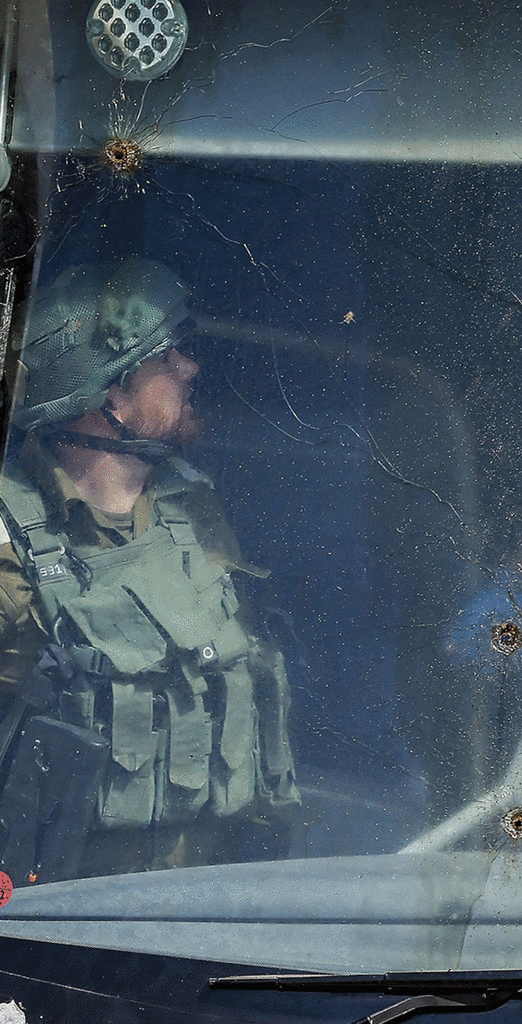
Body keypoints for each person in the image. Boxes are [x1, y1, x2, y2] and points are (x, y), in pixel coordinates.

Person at [0, 258, 299, 882]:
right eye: (168, 355)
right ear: (109, 391)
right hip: (71, 925)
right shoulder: (9, 541)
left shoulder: (192, 506)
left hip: (214, 892)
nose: (191, 368)